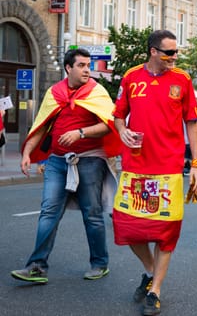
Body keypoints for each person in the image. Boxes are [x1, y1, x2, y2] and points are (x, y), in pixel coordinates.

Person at [11, 48, 121, 284]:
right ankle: (37, 266)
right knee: (49, 212)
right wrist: (27, 153)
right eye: (81, 65)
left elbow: (108, 125)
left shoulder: (96, 91)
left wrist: (80, 133)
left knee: (91, 214)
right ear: (68, 68)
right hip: (57, 161)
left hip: (90, 159)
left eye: (88, 65)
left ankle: (99, 263)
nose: (86, 70)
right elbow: (42, 124)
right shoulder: (54, 92)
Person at [112, 29, 197, 316]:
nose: (175, 58)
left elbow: (193, 123)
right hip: (136, 165)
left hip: (168, 167)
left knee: (166, 231)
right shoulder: (130, 77)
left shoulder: (182, 80)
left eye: (177, 52)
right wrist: (122, 130)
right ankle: (151, 271)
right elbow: (117, 115)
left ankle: (156, 290)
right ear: (153, 51)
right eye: (169, 53)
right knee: (127, 225)